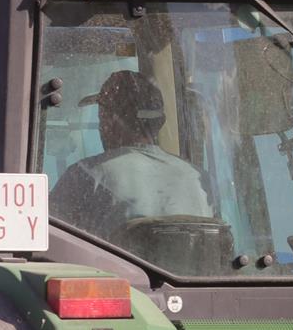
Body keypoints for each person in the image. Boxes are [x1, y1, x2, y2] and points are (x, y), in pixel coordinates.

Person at [53, 70, 210, 238]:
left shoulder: (85, 176)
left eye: (101, 116)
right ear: (160, 122)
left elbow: (49, 241)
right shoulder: (201, 181)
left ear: (110, 120)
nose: (101, 126)